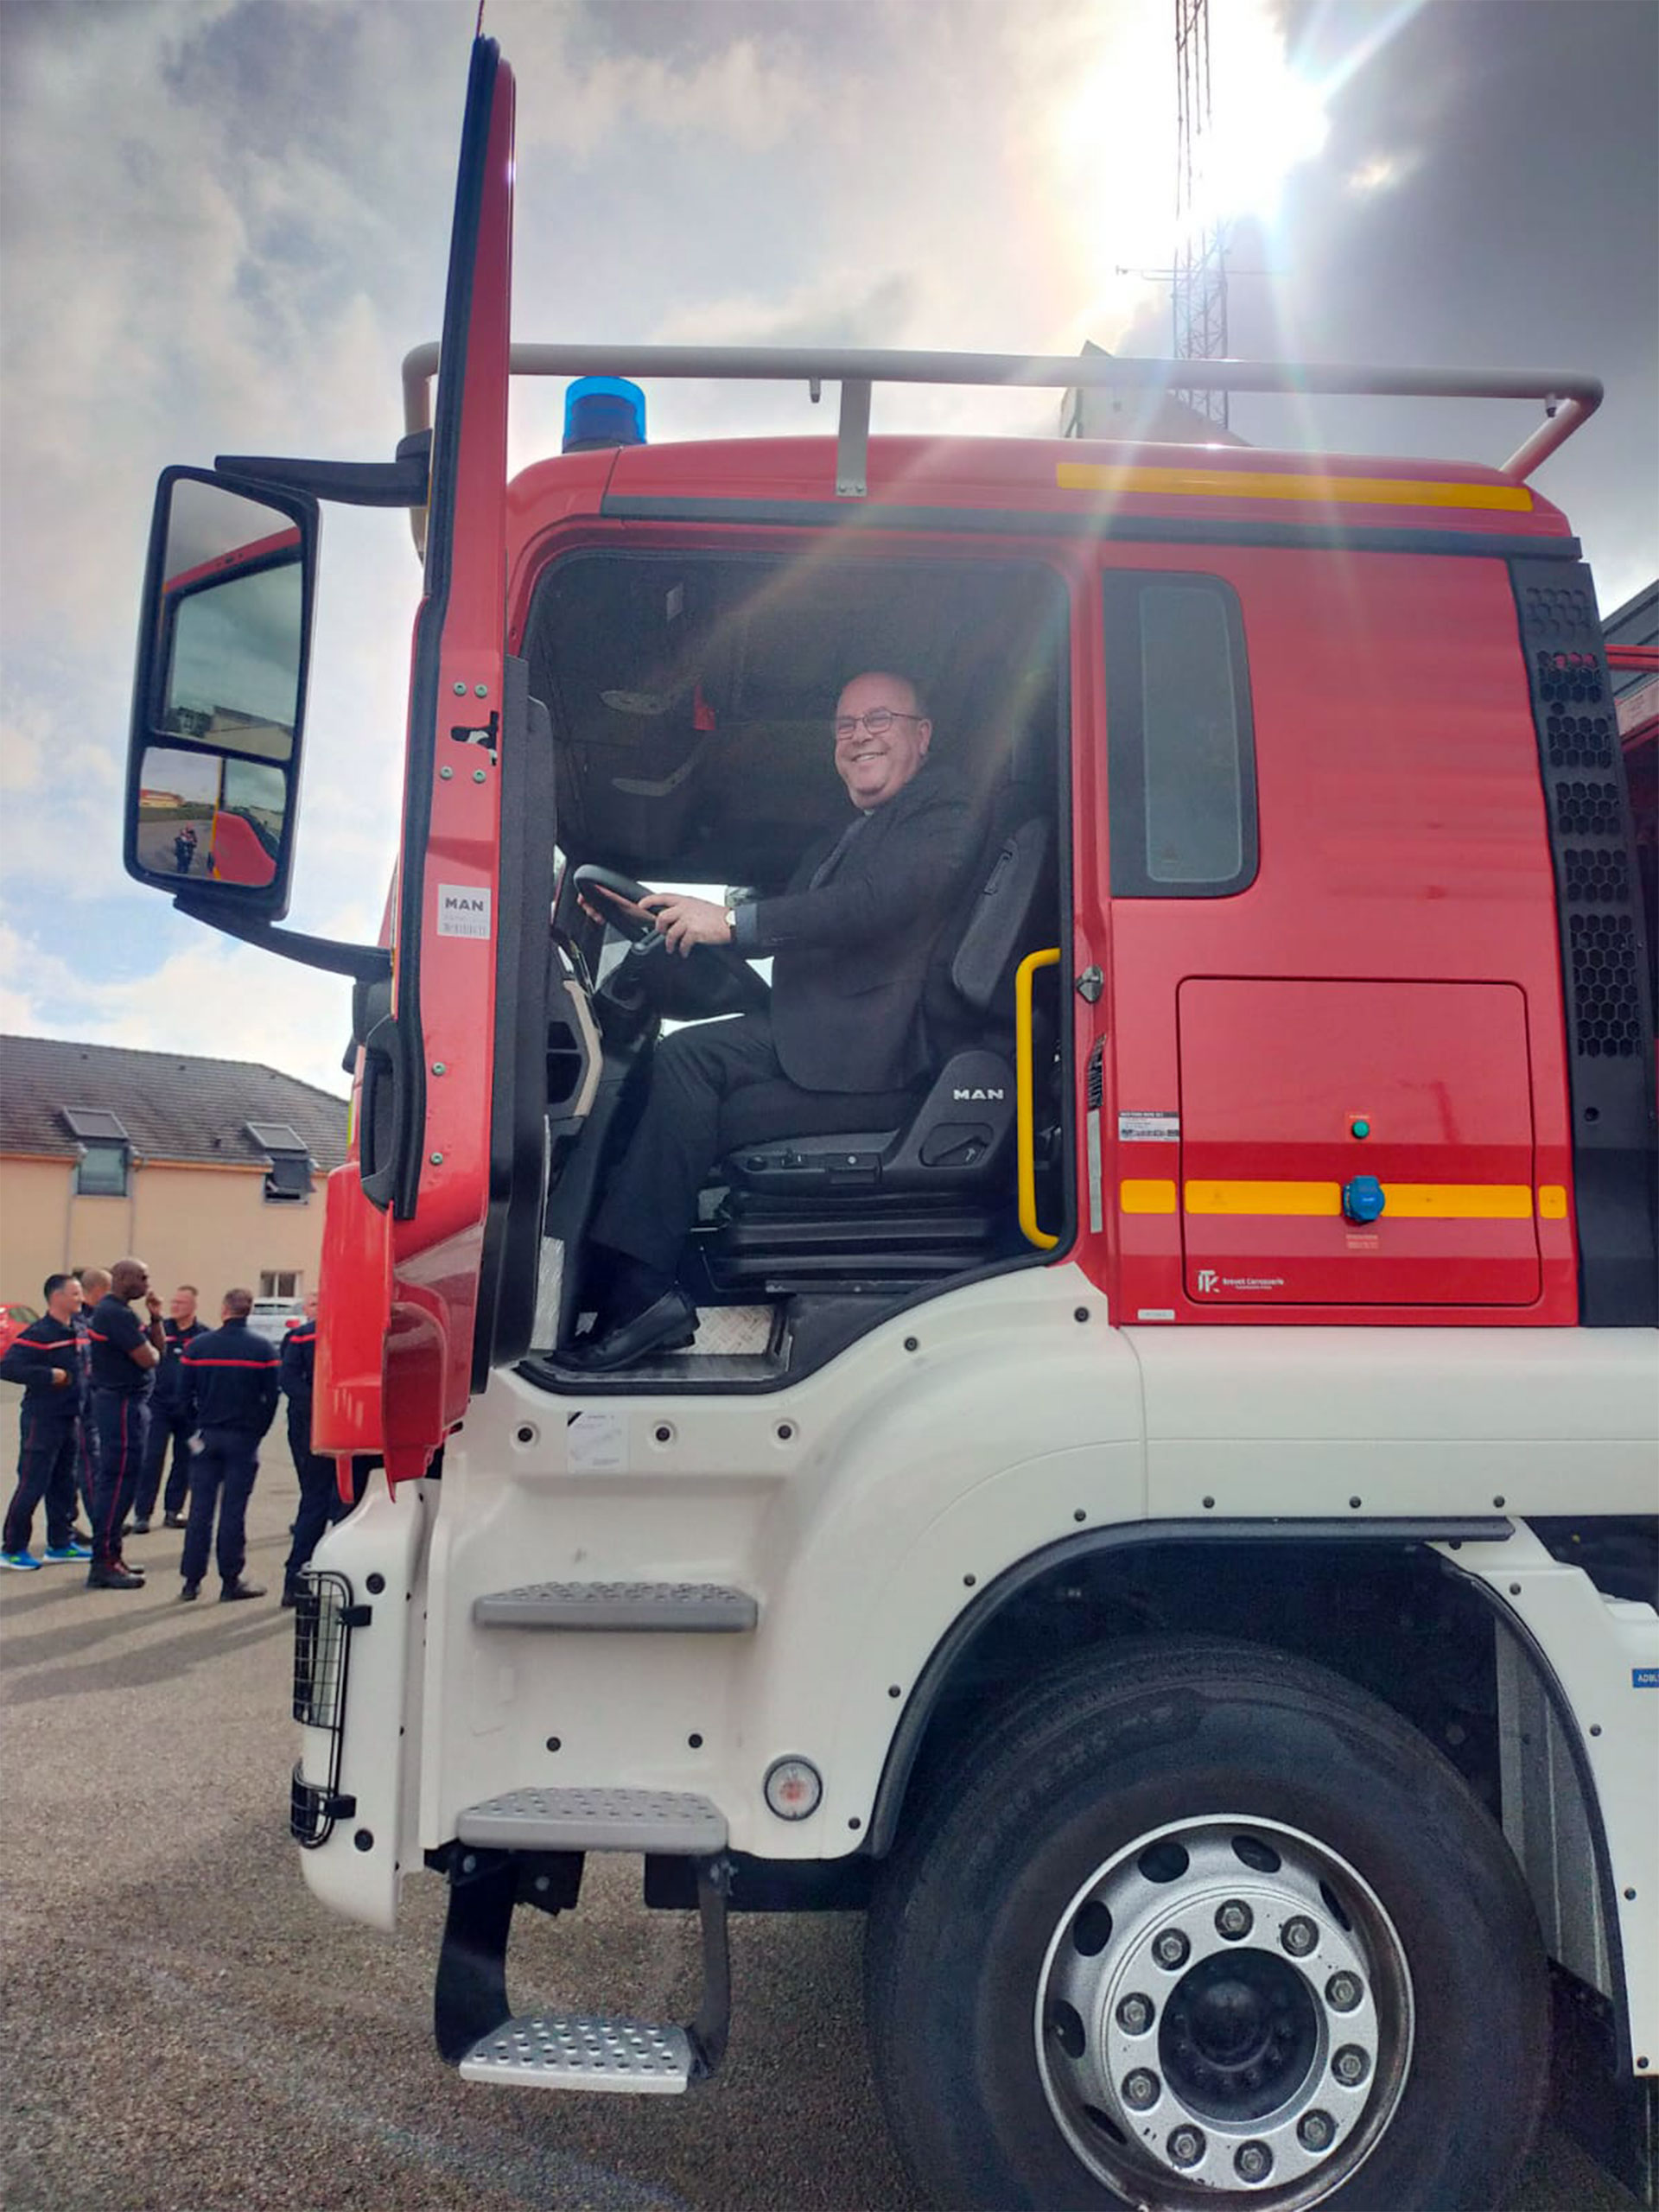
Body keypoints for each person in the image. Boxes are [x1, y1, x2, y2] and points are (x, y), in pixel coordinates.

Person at [567, 670, 979, 1370]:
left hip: (883, 1056)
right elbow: (812, 929)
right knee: (679, 1080)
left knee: (687, 1068)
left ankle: (637, 1296)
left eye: (879, 719)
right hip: (830, 1038)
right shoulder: (854, 832)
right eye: (846, 727)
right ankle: (620, 1289)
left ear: (923, 735)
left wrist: (733, 923)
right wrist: (671, 923)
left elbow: (876, 903)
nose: (859, 737)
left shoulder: (945, 810)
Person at [175, 1287, 280, 1602]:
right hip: (243, 1438)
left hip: (207, 1435)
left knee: (199, 1510)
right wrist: (257, 1431)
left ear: (224, 1310)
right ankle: (230, 1579)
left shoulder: (198, 1347)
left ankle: (191, 1582)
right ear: (249, 1311)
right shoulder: (263, 1350)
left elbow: (181, 1399)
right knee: (234, 1511)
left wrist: (195, 1430)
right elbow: (272, 1399)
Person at [0, 1274, 92, 1569]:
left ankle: (61, 1543)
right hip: (43, 1419)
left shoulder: (79, 1327)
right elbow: (9, 1367)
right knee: (33, 1482)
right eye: (75, 1294)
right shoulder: (39, 1333)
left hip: (71, 1417)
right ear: (57, 1297)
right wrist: (49, 1375)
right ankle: (12, 1548)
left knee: (65, 1483)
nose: (80, 1299)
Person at [86, 1258, 164, 1589]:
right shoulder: (114, 1313)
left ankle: (112, 1556)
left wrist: (156, 1317)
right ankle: (103, 1562)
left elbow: (158, 1348)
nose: (147, 1284)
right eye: (142, 1278)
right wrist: (151, 1352)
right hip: (119, 1404)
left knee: (126, 1480)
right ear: (122, 1278)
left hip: (129, 1405)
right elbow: (149, 1358)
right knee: (117, 1482)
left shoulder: (124, 1313)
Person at [277, 1293, 361, 1605]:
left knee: (312, 1502)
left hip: (311, 1429)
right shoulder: (355, 1333)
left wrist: (316, 1406)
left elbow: (287, 1380)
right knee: (347, 1503)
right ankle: (339, 1575)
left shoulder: (300, 1338)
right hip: (349, 1428)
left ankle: (295, 1581)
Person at [132, 1284, 207, 1532]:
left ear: (194, 1306)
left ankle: (174, 1510)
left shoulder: (204, 1336)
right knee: (151, 1459)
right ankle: (142, 1514)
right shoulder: (157, 1330)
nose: (175, 1306)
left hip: (189, 1409)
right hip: (158, 1406)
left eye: (182, 1303)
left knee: (184, 1459)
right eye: (174, 1302)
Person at [73, 1268, 109, 1533]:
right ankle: (100, 1525)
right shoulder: (77, 1320)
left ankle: (74, 1524)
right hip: (78, 1406)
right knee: (87, 1465)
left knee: (83, 1466)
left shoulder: (102, 1317)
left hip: (96, 1403)